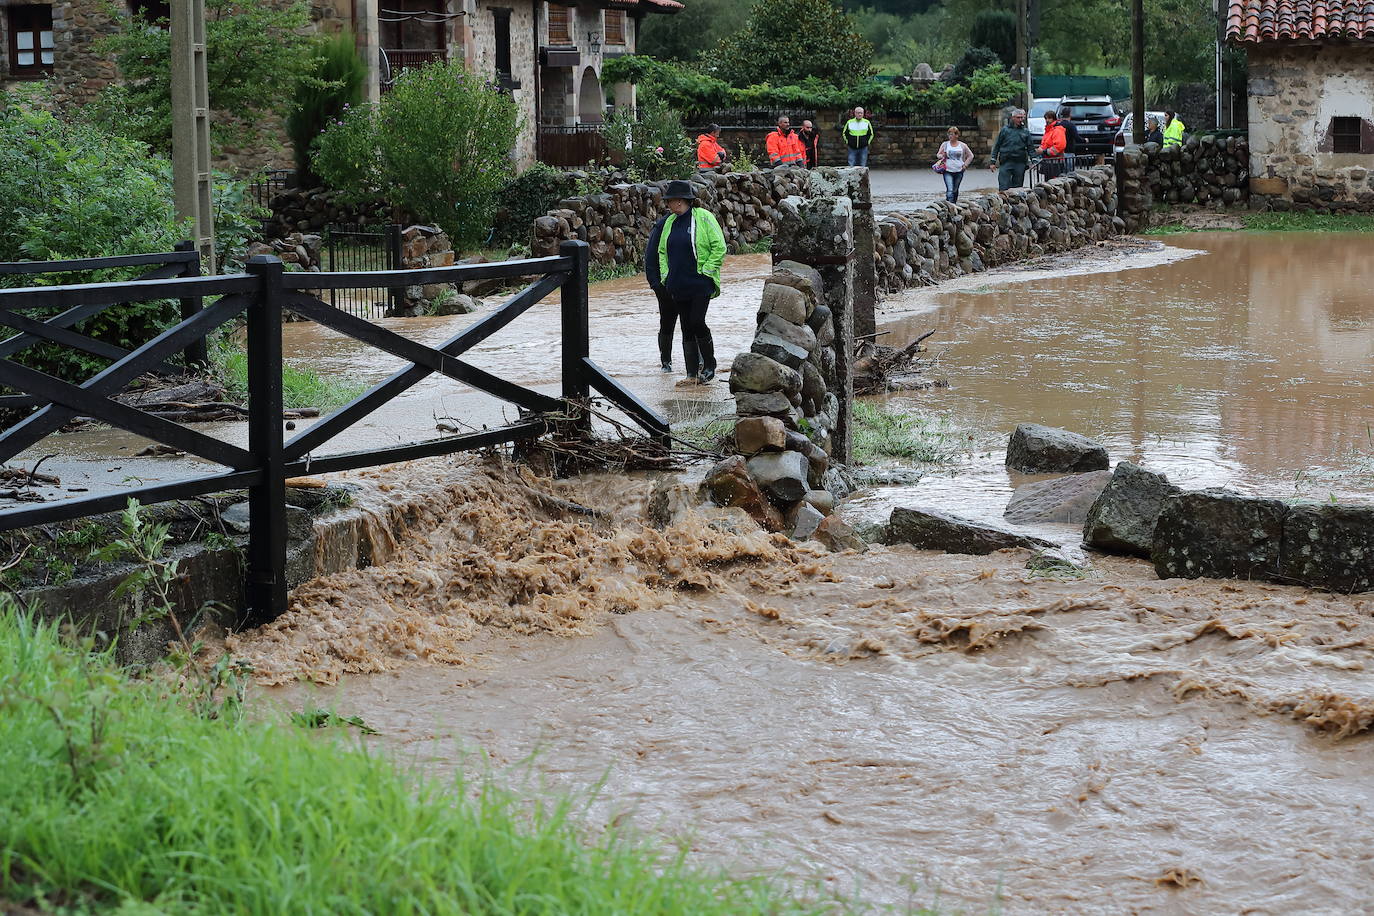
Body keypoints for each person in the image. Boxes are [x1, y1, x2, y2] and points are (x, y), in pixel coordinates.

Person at [644, 179, 726, 383]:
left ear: (679, 201)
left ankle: (709, 366)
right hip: (677, 284)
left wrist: (706, 271)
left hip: (700, 283)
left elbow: (719, 246)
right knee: (686, 327)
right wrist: (665, 278)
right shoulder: (668, 223)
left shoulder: (704, 218)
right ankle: (691, 374)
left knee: (697, 321)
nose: (667, 205)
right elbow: (661, 251)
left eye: (669, 201)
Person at [989, 108, 1033, 191]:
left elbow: (1030, 147)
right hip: (1006, 161)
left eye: (1022, 117)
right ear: (1013, 118)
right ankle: (1004, 203)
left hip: (1020, 162)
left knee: (1017, 187)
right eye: (1018, 117)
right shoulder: (1005, 130)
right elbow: (997, 146)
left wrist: (1033, 161)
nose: (1020, 120)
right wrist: (992, 162)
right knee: (1003, 186)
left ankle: (1016, 203)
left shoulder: (1025, 132)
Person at [936, 126, 973, 202]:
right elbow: (938, 154)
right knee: (950, 189)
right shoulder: (945, 144)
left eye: (952, 134)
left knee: (955, 190)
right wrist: (942, 156)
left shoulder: (962, 145)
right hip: (947, 170)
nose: (950, 136)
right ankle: (949, 206)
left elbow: (971, 156)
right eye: (949, 134)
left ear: (957, 135)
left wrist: (965, 165)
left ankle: (953, 205)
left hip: (959, 170)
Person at [1038, 110, 1067, 179]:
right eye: (1046, 118)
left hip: (1055, 163)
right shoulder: (1049, 130)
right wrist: (1040, 149)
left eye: (1049, 118)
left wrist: (1044, 151)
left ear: (1054, 119)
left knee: (1054, 184)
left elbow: (1059, 146)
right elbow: (1045, 143)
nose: (1047, 120)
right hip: (1048, 162)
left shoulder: (1057, 130)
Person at [1057, 106, 1080, 171]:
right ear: (1070, 115)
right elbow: (1077, 137)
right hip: (1069, 151)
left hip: (1060, 152)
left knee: (1062, 172)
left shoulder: (1058, 125)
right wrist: (1085, 140)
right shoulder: (1071, 125)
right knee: (1070, 172)